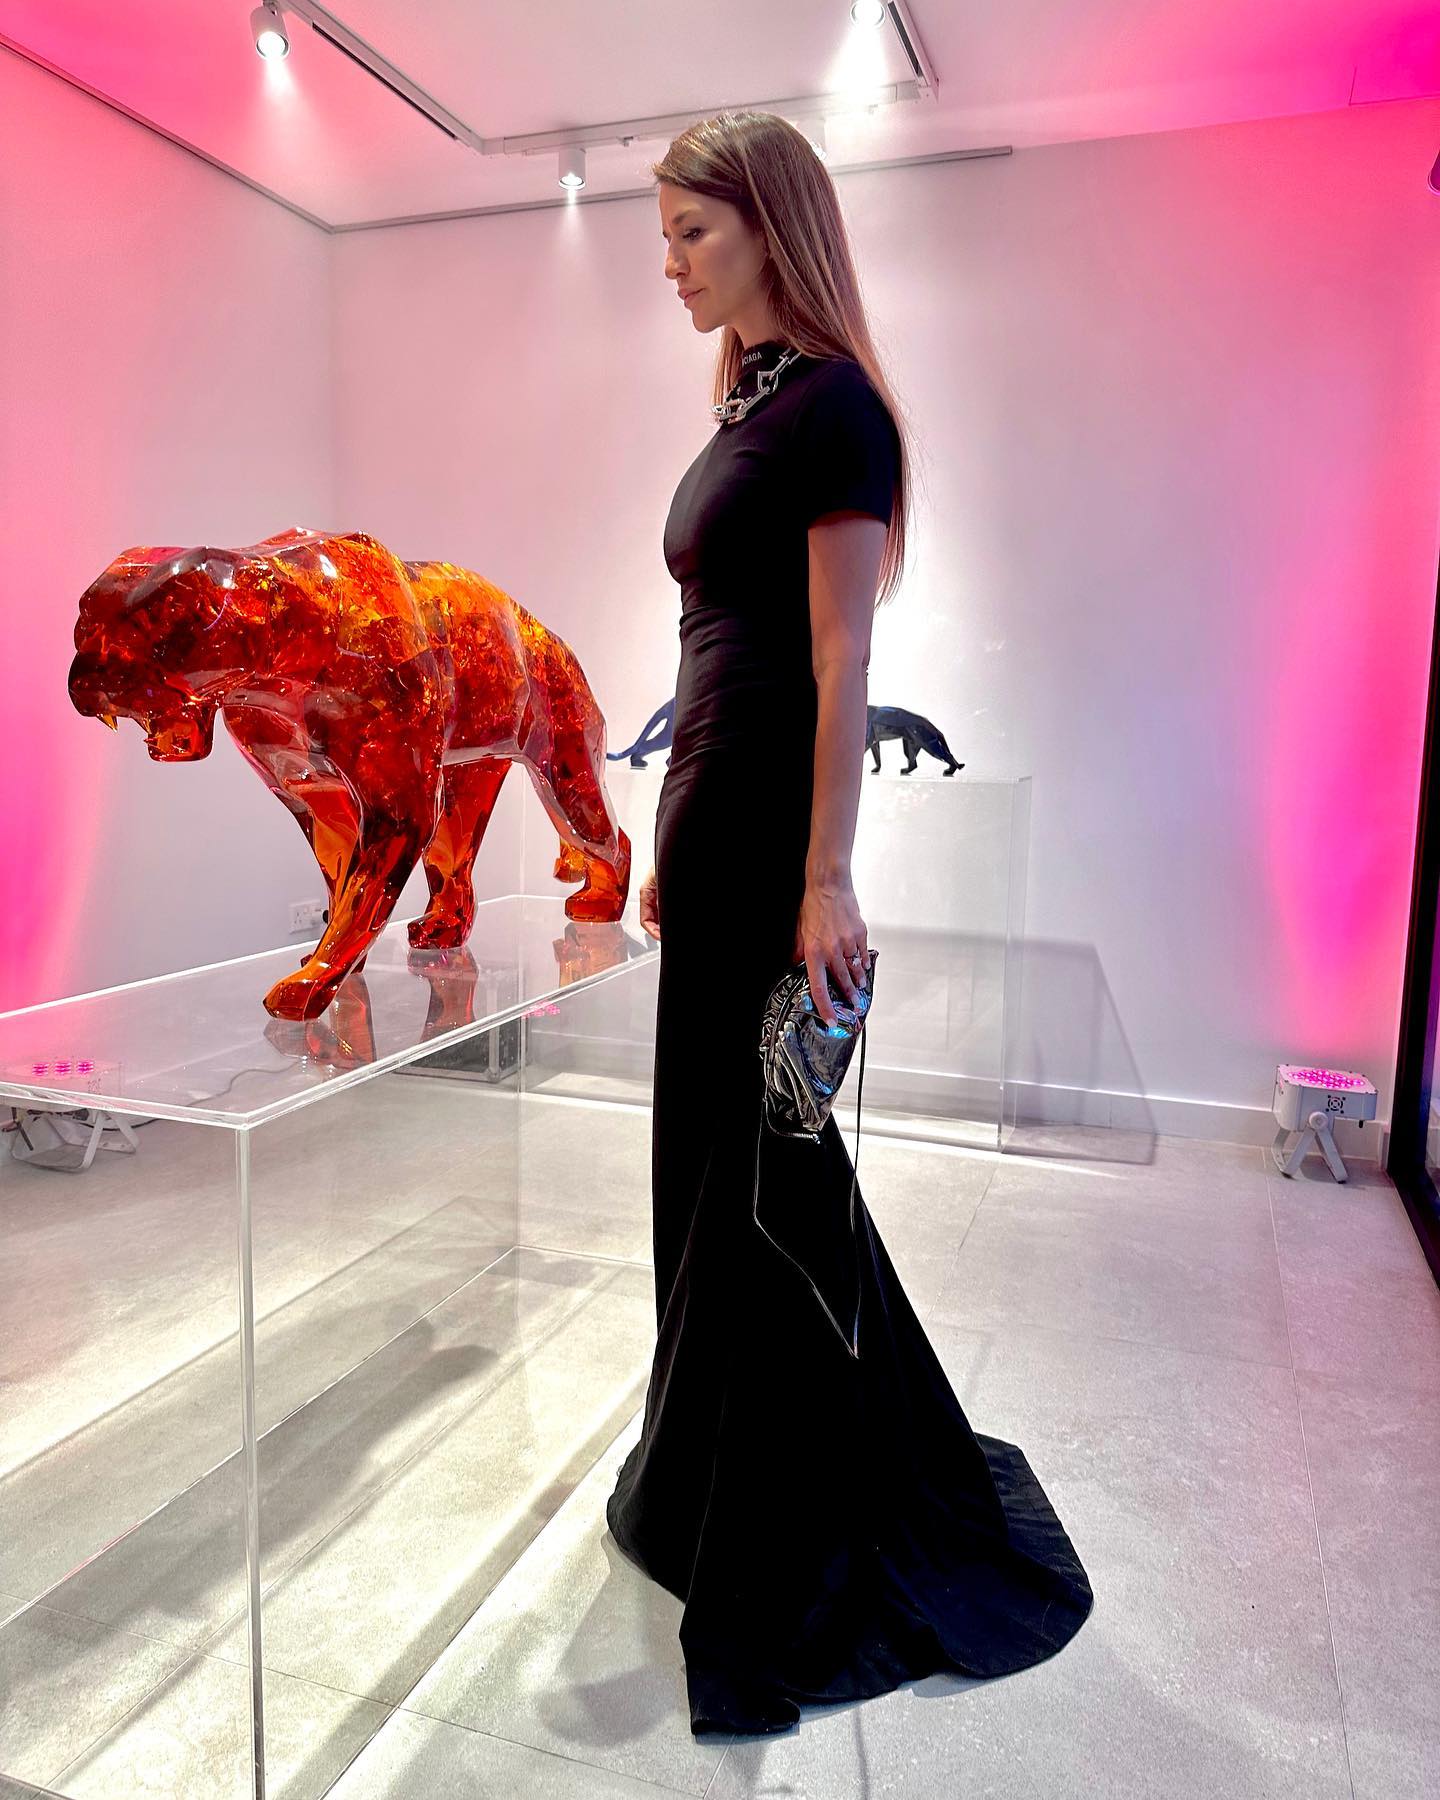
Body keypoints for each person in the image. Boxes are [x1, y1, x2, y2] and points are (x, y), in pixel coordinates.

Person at [605, 108, 1094, 1738]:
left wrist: (826, 874)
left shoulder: (836, 410)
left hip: (771, 831)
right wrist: (669, 833)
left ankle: (790, 1512)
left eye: (692, 233)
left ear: (771, 227)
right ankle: (706, 1474)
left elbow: (839, 663)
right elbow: (709, 649)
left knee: (772, 1179)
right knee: (709, 1164)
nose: (670, 264)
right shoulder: (744, 406)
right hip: (710, 818)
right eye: (665, 237)